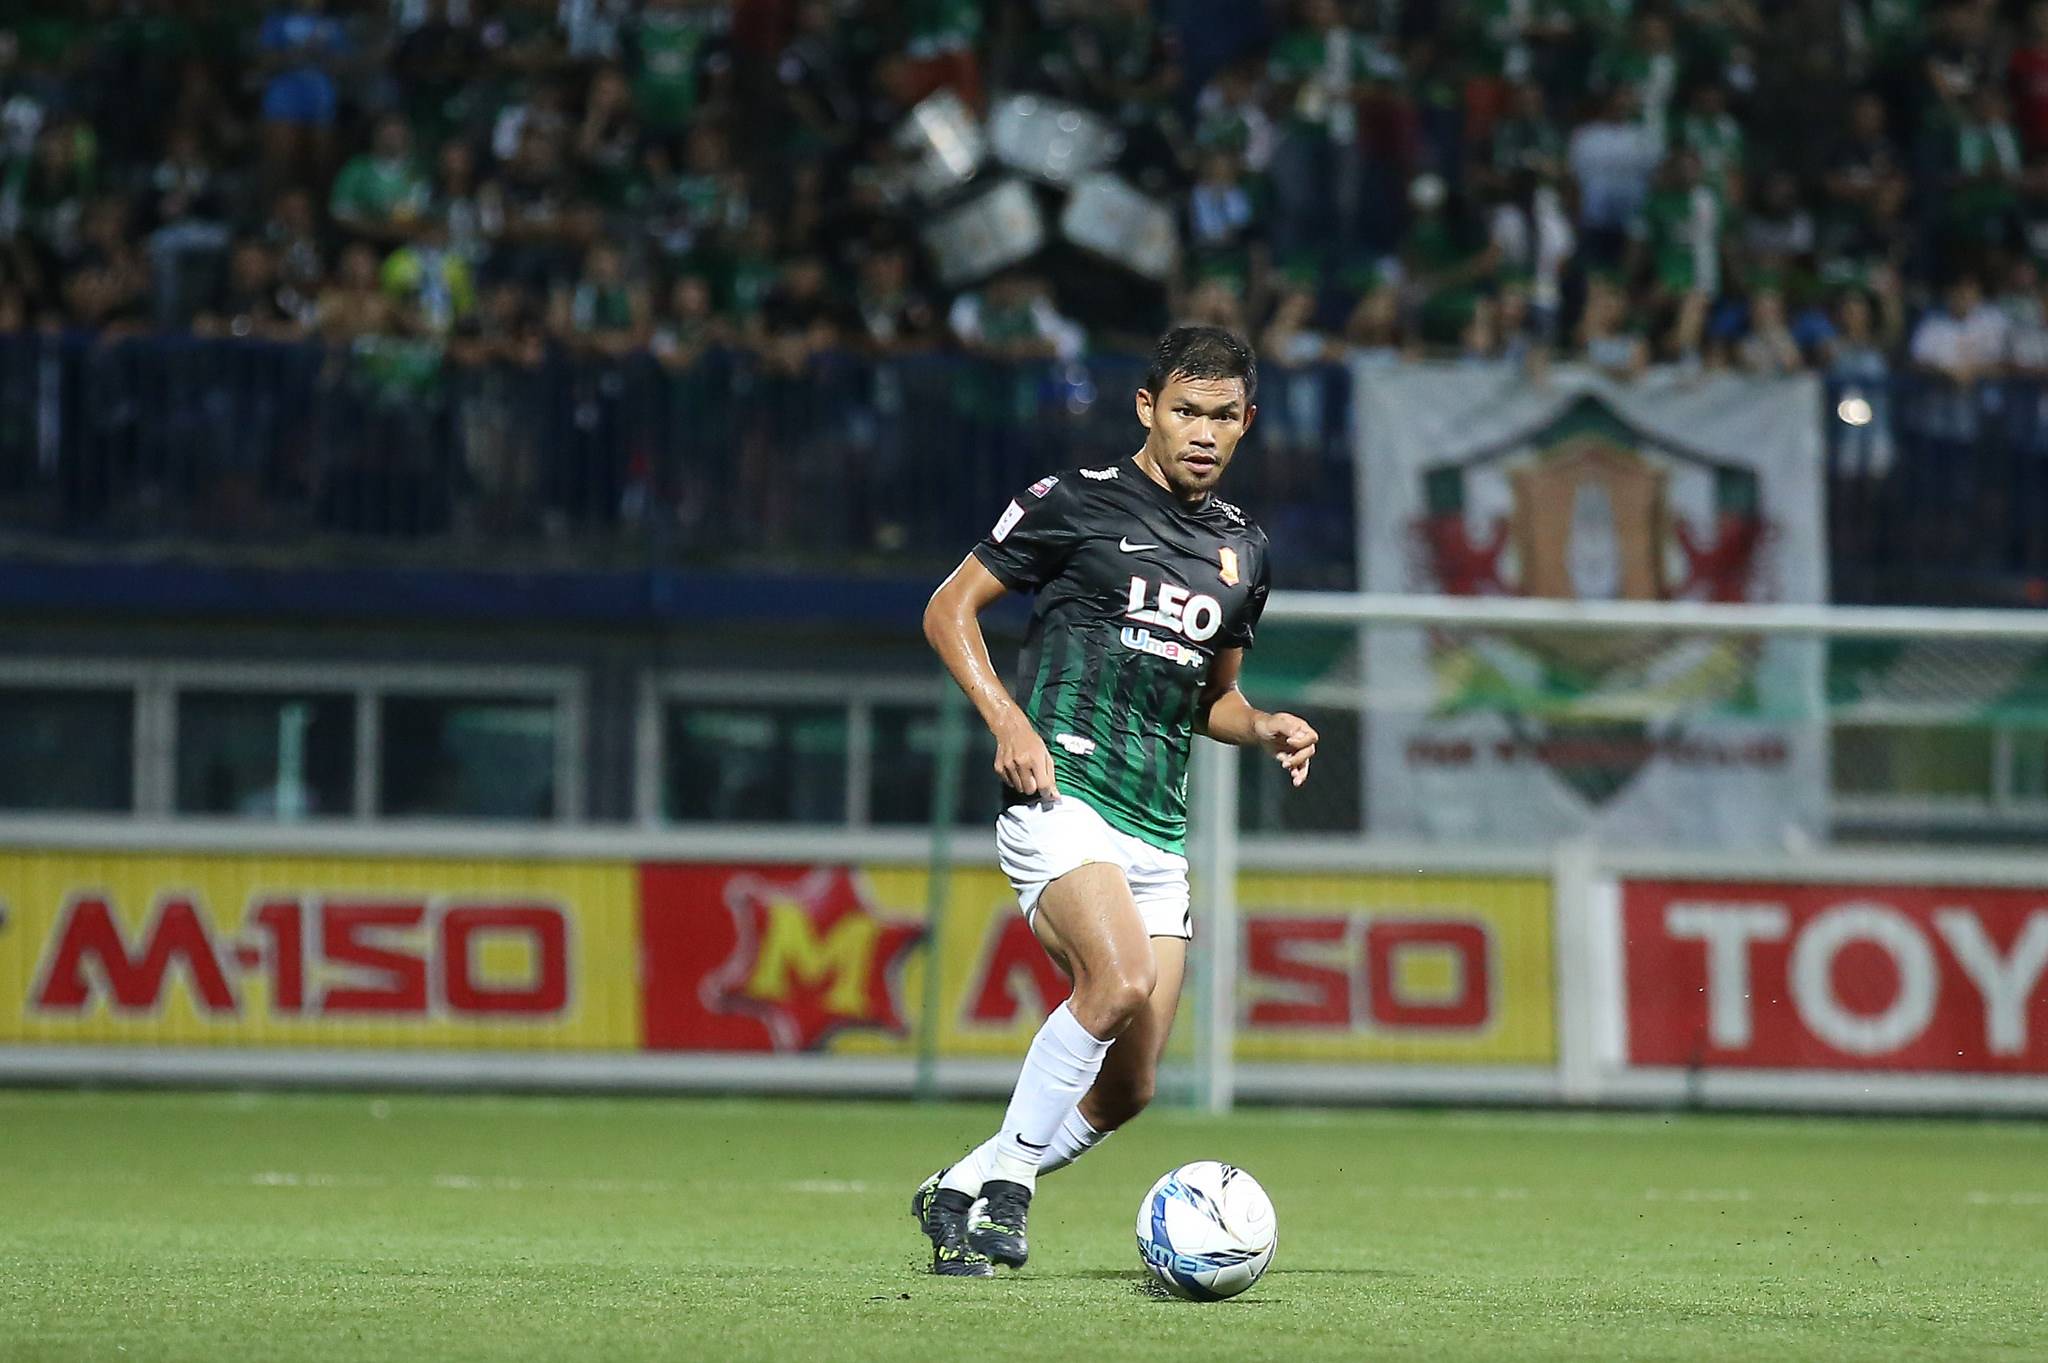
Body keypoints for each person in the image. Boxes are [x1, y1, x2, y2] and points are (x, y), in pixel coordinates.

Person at [910, 326, 1319, 1276]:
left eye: (1223, 416)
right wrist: (1009, 720)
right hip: (1061, 796)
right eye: (1186, 411)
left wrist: (1264, 725)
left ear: (1248, 421)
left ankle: (956, 1188)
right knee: (1119, 979)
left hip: (1156, 831)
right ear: (1147, 408)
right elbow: (947, 608)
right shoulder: (1073, 501)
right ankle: (1009, 1192)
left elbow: (1214, 698)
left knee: (1130, 1086)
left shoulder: (1244, 549)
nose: (1203, 432)